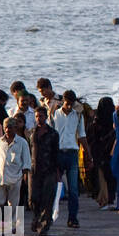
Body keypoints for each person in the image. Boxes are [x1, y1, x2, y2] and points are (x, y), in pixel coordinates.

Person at [48, 90, 86, 228]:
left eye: (71, 104)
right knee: (54, 188)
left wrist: (88, 155)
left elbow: (82, 135)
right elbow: (50, 133)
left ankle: (72, 218)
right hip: (58, 153)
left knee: (74, 190)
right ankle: (49, 217)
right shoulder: (54, 114)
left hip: (72, 153)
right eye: (67, 104)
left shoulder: (78, 116)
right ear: (63, 102)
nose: (69, 107)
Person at [28, 105, 60, 235]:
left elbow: (56, 153)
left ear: (46, 117)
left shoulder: (53, 134)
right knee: (33, 198)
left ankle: (44, 225)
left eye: (41, 116)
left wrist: (57, 171)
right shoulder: (31, 133)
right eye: (36, 116)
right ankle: (37, 218)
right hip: (34, 170)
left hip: (49, 169)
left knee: (47, 199)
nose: (38, 119)